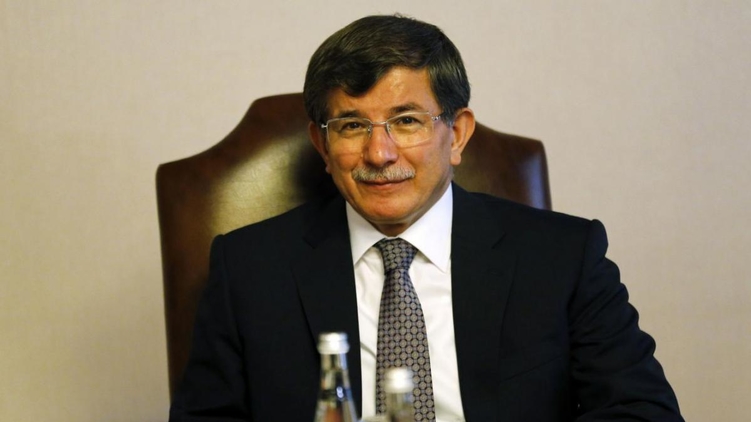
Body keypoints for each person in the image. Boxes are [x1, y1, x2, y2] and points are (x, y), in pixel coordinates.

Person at [168, 14, 683, 422]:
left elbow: (642, 412)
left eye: (407, 121)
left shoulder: (563, 256)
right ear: (321, 146)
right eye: (351, 126)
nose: (380, 153)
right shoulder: (249, 268)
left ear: (456, 134)